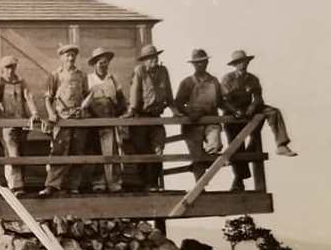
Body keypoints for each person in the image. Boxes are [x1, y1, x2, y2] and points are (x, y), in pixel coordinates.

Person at [222, 49, 298, 191]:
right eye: (239, 63)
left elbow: (258, 97)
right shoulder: (228, 79)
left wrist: (252, 106)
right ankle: (239, 180)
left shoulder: (253, 79)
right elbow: (224, 100)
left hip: (249, 111)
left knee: (273, 112)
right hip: (233, 115)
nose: (242, 65)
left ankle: (281, 145)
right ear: (234, 65)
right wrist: (235, 111)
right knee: (236, 148)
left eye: (244, 62)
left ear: (247, 62)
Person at [122, 44, 178, 191]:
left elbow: (169, 93)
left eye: (154, 57)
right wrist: (132, 111)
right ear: (144, 60)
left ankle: (153, 183)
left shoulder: (163, 71)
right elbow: (135, 93)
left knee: (158, 148)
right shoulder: (140, 71)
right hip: (140, 117)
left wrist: (174, 109)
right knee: (142, 151)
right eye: (149, 58)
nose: (153, 60)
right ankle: (145, 184)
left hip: (156, 117)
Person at [38, 44, 89, 197]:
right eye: (67, 55)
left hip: (78, 119)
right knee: (59, 152)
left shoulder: (81, 75)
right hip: (62, 119)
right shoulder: (55, 75)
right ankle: (52, 185)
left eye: (73, 55)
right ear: (61, 58)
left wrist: (83, 108)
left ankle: (73, 186)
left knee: (77, 152)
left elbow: (87, 96)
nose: (70, 58)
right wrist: (51, 113)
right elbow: (48, 97)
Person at [0, 56, 39, 197]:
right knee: (12, 153)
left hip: (21, 122)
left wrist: (34, 113)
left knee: (22, 152)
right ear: (2, 69)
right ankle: (16, 187)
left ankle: (19, 183)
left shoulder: (21, 81)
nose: (10, 70)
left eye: (12, 67)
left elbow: (29, 97)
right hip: (6, 124)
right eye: (7, 67)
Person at [174, 48, 228, 182]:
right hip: (192, 124)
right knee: (197, 157)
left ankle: (208, 160)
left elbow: (221, 102)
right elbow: (178, 104)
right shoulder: (187, 82)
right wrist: (190, 113)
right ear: (193, 64)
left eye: (203, 62)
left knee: (215, 145)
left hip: (211, 121)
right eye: (197, 62)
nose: (200, 65)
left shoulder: (214, 81)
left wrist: (236, 112)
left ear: (207, 63)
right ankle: (201, 187)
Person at [83, 47, 127, 193]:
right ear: (95, 64)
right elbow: (83, 101)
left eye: (106, 63)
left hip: (110, 119)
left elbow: (121, 100)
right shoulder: (88, 79)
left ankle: (114, 183)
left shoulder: (113, 79)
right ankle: (99, 182)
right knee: (96, 152)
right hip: (94, 121)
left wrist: (120, 114)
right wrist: (89, 117)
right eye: (101, 63)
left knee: (112, 152)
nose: (104, 65)